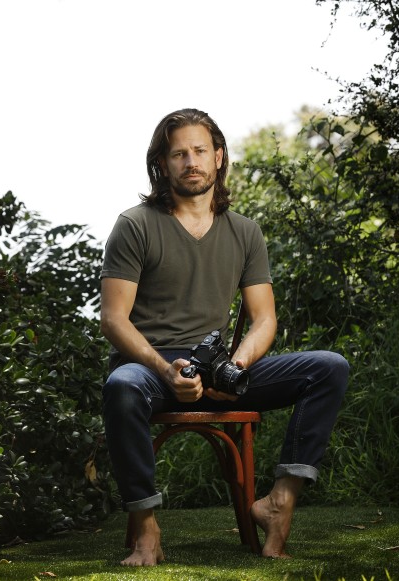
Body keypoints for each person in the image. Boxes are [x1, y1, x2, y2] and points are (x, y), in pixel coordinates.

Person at [100, 108, 349, 566]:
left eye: (199, 151)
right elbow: (114, 320)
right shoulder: (135, 225)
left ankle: (279, 502)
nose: (190, 161)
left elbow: (263, 320)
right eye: (178, 154)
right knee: (121, 386)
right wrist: (164, 369)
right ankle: (147, 529)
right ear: (162, 164)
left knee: (329, 368)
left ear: (218, 157)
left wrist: (236, 366)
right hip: (150, 370)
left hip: (220, 365)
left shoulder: (245, 231)